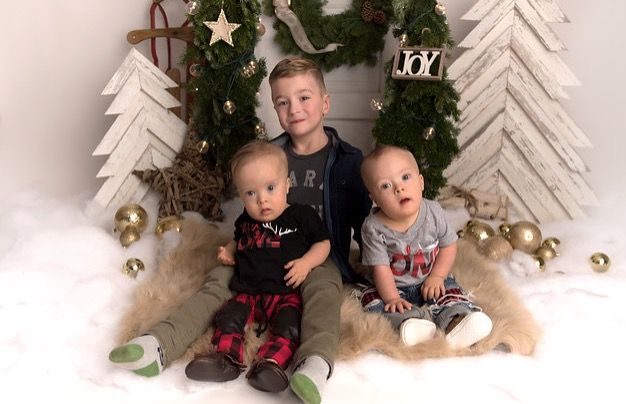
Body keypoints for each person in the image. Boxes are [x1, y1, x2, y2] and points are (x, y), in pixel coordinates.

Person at [109, 57, 373, 404]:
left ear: (325, 103)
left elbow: (364, 221)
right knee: (217, 281)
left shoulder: (349, 160)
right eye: (282, 102)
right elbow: (248, 217)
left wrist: (373, 270)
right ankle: (159, 344)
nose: (294, 109)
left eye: (304, 98)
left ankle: (313, 364)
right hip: (257, 253)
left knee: (324, 295)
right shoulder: (268, 154)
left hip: (315, 257)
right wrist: (233, 250)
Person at [182, 140, 330, 393]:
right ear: (241, 196)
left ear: (287, 185)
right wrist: (229, 250)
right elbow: (238, 239)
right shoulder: (246, 220)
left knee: (289, 326)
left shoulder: (301, 216)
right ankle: (226, 359)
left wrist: (306, 263)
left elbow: (323, 243)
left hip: (285, 293)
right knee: (229, 316)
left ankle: (270, 364)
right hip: (248, 291)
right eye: (251, 193)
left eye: (270, 188)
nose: (262, 200)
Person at [358, 145, 493, 348]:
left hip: (429, 279)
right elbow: (381, 268)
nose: (398, 188)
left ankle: (456, 321)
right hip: (393, 286)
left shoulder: (433, 212)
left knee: (450, 292)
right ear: (374, 199)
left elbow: (448, 245)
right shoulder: (373, 228)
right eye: (385, 186)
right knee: (377, 303)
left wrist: (437, 276)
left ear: (421, 182)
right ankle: (412, 323)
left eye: (405, 177)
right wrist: (392, 298)